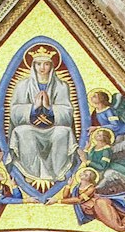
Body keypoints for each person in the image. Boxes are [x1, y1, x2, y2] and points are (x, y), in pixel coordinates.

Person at [8, 46, 78, 186]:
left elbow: (67, 113)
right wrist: (33, 107)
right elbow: (14, 112)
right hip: (31, 126)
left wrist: (49, 108)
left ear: (52, 66)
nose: (42, 67)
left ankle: (56, 173)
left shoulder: (62, 86)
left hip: (54, 127)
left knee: (63, 132)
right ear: (33, 66)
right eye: (38, 64)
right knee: (22, 132)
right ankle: (30, 172)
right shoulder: (22, 85)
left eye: (46, 64)